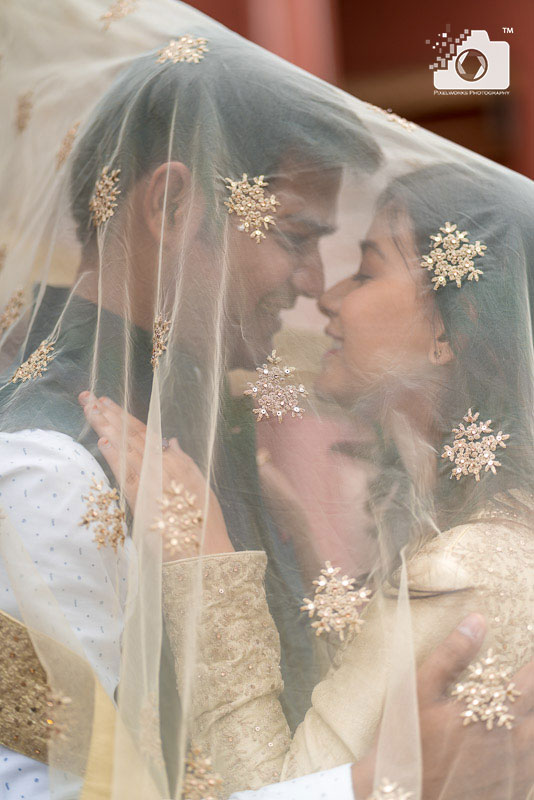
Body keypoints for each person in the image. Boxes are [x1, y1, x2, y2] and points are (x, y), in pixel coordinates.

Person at [1, 2, 534, 799]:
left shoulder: (202, 433)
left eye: (349, 258)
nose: (316, 285)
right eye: (294, 235)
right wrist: (379, 784)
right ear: (171, 206)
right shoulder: (50, 464)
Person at [85, 162, 534, 799]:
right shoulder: (507, 530)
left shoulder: (462, 567)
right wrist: (298, 531)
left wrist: (205, 557)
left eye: (367, 271)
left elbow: (286, 787)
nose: (326, 296)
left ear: (445, 329)